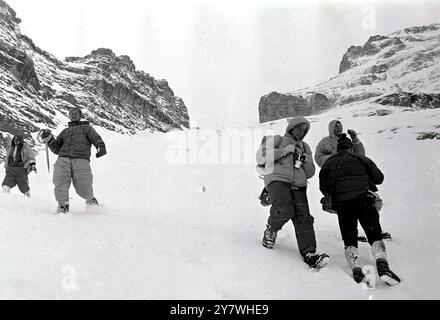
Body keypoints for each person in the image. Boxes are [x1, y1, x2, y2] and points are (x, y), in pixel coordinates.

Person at [319, 134, 400, 286]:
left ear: (337, 148)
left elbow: (323, 187)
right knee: (374, 233)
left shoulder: (329, 162)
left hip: (343, 205)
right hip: (364, 201)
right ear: (351, 146)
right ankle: (382, 264)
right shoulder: (361, 158)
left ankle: (356, 269)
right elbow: (379, 178)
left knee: (349, 237)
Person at [256, 116, 329, 269]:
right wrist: (284, 151)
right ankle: (271, 229)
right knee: (285, 208)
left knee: (304, 217)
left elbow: (310, 173)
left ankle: (310, 254)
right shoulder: (277, 139)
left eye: (305, 130)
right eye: (299, 128)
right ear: (291, 127)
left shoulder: (305, 147)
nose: (302, 132)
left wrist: (304, 160)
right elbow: (261, 157)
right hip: (277, 179)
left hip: (299, 185)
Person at [315, 120, 391, 241]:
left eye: (340, 126)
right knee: (352, 209)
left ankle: (374, 232)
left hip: (355, 179)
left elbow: (361, 155)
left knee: (366, 206)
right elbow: (318, 158)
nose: (339, 128)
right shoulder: (325, 142)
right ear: (331, 128)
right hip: (339, 181)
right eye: (336, 126)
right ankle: (359, 235)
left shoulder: (348, 140)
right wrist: (336, 157)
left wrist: (355, 140)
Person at [39, 107, 107, 214]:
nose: (73, 115)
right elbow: (56, 149)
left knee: (84, 186)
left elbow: (96, 138)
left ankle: (91, 201)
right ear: (69, 116)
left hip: (81, 159)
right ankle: (63, 206)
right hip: (63, 159)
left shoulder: (86, 128)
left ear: (80, 116)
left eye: (76, 113)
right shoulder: (64, 132)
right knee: (60, 181)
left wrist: (100, 147)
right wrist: (50, 139)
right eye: (71, 113)